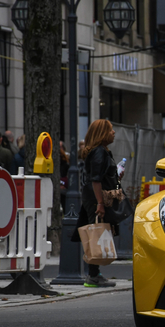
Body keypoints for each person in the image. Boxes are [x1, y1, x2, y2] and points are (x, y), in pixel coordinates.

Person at [71, 120, 122, 288]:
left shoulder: (100, 151)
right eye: (110, 130)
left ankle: (94, 273)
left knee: (95, 230)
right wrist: (100, 203)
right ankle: (93, 275)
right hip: (95, 198)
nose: (113, 132)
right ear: (102, 134)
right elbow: (96, 179)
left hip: (93, 196)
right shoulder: (99, 152)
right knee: (96, 231)